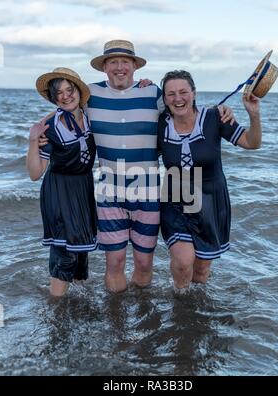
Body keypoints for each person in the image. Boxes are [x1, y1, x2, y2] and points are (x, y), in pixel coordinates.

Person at [86, 40, 235, 293]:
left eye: (125, 62)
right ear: (104, 67)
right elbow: (64, 109)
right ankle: (117, 324)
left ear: (135, 66)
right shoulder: (89, 96)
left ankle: (143, 316)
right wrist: (38, 133)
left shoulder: (153, 94)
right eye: (113, 62)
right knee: (115, 262)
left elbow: (184, 110)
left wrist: (219, 112)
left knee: (144, 264)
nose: (119, 67)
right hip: (108, 192)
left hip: (148, 192)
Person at [157, 70, 262, 290]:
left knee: (202, 269)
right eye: (171, 94)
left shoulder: (215, 118)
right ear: (164, 99)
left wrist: (253, 114)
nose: (178, 98)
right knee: (184, 261)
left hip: (210, 201)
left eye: (184, 92)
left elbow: (251, 143)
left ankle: (196, 310)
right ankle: (180, 300)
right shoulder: (160, 125)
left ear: (194, 93)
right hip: (175, 199)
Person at [27, 67, 97, 297]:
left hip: (83, 189)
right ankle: (56, 310)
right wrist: (32, 139)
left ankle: (78, 307)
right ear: (53, 97)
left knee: (81, 251)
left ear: (79, 91)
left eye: (70, 89)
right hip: (59, 191)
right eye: (59, 93)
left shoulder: (89, 115)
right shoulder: (50, 128)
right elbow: (35, 174)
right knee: (64, 251)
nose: (65, 95)